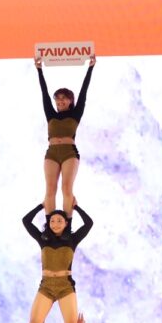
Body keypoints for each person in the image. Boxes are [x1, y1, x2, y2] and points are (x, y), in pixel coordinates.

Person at [22, 201, 93, 323]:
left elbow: (89, 223)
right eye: (52, 221)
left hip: (65, 286)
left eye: (59, 220)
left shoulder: (72, 239)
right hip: (46, 286)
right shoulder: (43, 239)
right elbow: (26, 221)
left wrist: (76, 207)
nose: (55, 224)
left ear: (66, 223)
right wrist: (41, 206)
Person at [36, 55, 95, 219]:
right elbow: (44, 93)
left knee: (66, 189)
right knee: (50, 189)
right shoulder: (50, 114)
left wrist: (90, 68)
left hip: (69, 152)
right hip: (52, 153)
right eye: (57, 99)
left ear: (70, 100)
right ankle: (51, 225)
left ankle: (67, 224)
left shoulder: (76, 113)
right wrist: (39, 70)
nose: (59, 101)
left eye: (63, 98)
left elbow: (84, 91)